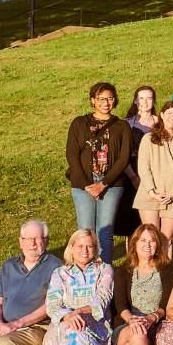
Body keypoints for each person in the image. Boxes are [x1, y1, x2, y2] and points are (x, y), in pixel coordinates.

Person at [66, 81, 132, 260]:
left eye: (110, 98)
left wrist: (103, 184)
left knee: (105, 231)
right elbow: (72, 154)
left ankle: (105, 271)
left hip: (111, 184)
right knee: (85, 231)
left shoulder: (122, 126)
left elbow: (124, 158)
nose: (106, 102)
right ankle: (86, 269)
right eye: (101, 98)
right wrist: (87, 185)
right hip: (83, 184)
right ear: (93, 100)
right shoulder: (79, 123)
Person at [132, 101, 173, 243]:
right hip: (150, 194)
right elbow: (143, 167)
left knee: (167, 238)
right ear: (161, 115)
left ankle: (166, 259)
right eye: (169, 113)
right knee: (151, 237)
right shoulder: (148, 138)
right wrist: (152, 191)